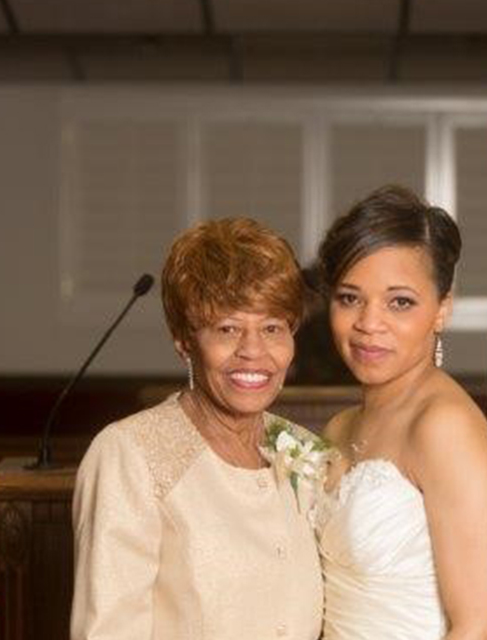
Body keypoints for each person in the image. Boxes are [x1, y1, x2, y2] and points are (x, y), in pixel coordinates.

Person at [71, 218, 323, 640]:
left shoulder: (304, 451)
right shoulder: (129, 454)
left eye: (272, 328)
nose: (253, 351)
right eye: (227, 329)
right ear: (185, 340)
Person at [315, 185, 487, 640]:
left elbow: (482, 626)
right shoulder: (340, 427)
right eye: (349, 298)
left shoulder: (443, 427)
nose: (369, 323)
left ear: (443, 308)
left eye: (399, 301)